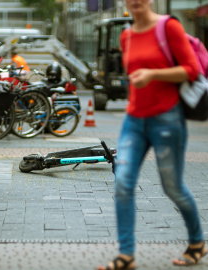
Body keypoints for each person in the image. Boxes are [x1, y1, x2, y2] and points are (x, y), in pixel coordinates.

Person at [97, 0, 207, 269]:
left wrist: (152, 75)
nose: (135, 1)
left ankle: (197, 242)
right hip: (134, 120)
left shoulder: (168, 27)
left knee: (172, 186)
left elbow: (191, 69)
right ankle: (126, 255)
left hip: (167, 120)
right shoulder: (126, 35)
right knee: (123, 183)